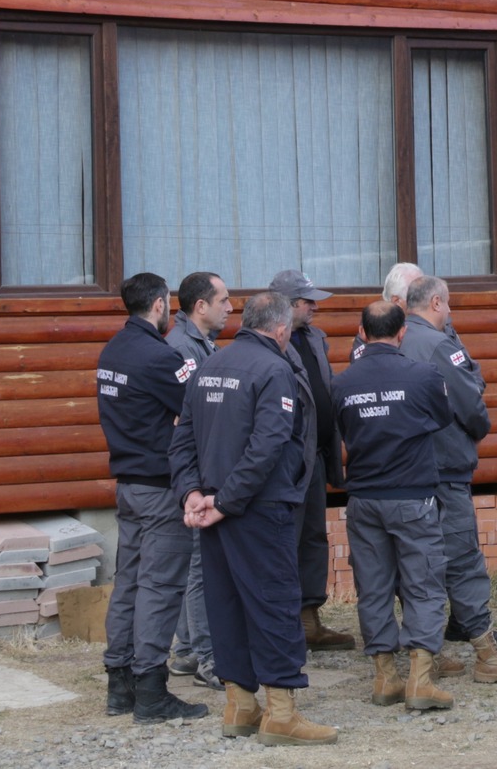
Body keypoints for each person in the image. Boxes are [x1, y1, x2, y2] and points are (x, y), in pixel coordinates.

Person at [172, 292, 336, 746]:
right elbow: (267, 446)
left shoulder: (209, 365)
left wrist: (194, 494)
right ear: (282, 330)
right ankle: (281, 713)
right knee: (275, 605)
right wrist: (224, 501)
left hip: (216, 511)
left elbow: (181, 439)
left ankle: (240, 705)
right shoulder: (274, 369)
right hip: (258, 511)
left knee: (225, 606)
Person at [400, 275, 497, 683]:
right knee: (462, 557)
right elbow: (470, 399)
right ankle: (486, 654)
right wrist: (479, 429)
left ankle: (424, 651)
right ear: (438, 302)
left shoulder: (392, 339)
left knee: (414, 563)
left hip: (404, 473)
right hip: (443, 466)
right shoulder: (439, 344)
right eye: (449, 306)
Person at [96, 272, 209, 724]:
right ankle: (150, 689)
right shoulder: (158, 357)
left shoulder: (113, 350)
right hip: (161, 487)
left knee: (129, 584)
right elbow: (201, 403)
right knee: (160, 589)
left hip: (127, 485)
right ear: (161, 305)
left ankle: (118, 684)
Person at [334, 301, 456, 712]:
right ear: (402, 332)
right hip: (411, 495)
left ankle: (385, 677)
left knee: (373, 587)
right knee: (422, 584)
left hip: (364, 498)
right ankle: (420, 680)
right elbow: (441, 418)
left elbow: (341, 432)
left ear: (362, 332)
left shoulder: (343, 382)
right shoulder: (424, 376)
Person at [267, 269, 356, 654]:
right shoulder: (270, 343)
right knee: (286, 538)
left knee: (313, 538)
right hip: (287, 462)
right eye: (308, 301)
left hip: (317, 455)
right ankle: (283, 625)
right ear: (287, 305)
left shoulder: (315, 339)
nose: (315, 307)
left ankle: (309, 619)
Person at [166, 270, 229, 692]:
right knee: (200, 568)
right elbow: (186, 419)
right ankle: (208, 657)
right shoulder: (181, 350)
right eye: (223, 299)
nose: (230, 306)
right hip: (194, 476)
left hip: (196, 473)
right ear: (200, 306)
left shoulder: (202, 344)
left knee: (194, 565)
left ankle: (188, 650)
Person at [352, 262, 423, 361]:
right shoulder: (372, 327)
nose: (425, 299)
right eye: (417, 295)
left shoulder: (435, 320)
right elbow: (363, 368)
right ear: (396, 301)